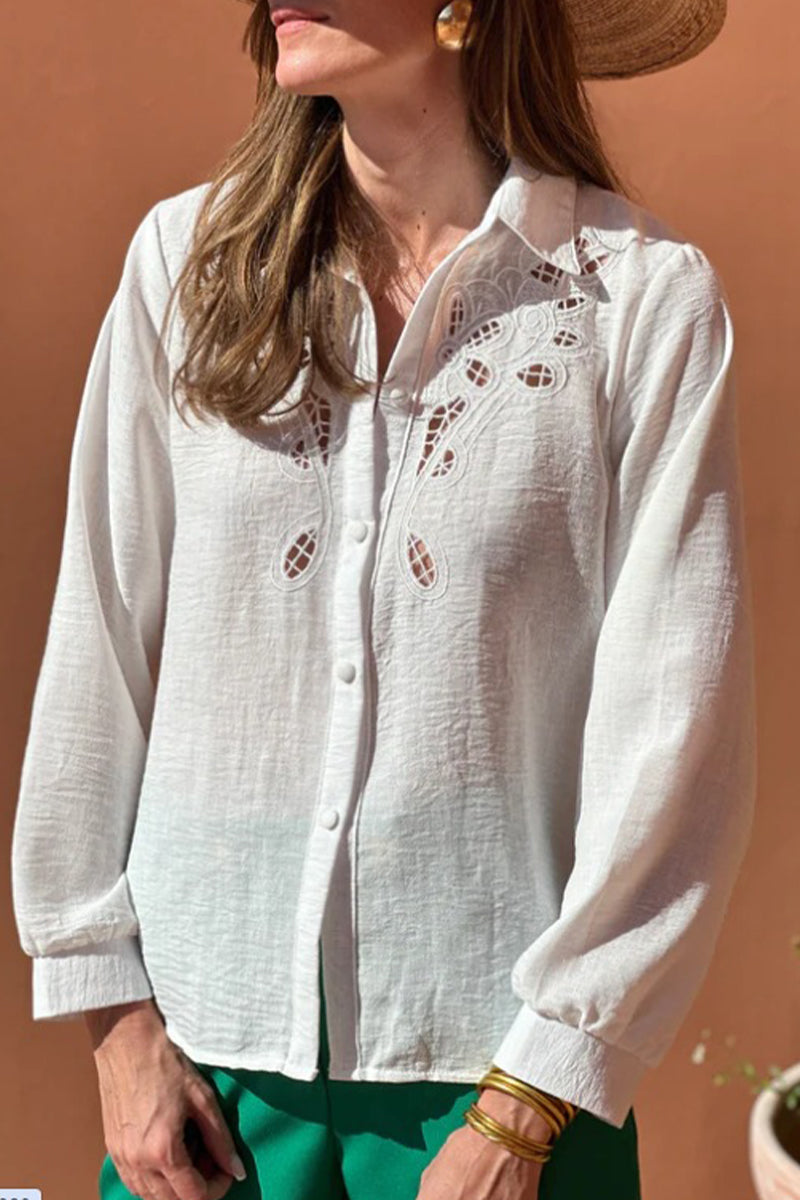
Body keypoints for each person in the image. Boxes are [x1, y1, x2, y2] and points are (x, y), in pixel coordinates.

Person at [10, 0, 758, 1197]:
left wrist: (518, 1118)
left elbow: (678, 728)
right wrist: (116, 1026)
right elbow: (97, 638)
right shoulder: (185, 266)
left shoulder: (638, 303)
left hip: (502, 1092)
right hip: (202, 1092)